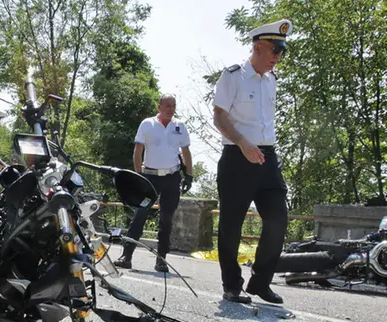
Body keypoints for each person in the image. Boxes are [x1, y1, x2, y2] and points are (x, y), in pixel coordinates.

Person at [212, 19, 292, 304]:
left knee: (278, 218)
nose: (277, 57)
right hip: (237, 156)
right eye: (274, 49)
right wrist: (243, 143)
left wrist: (257, 148)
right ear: (258, 46)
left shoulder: (272, 81)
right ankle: (231, 285)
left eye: (281, 51)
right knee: (231, 224)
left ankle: (259, 283)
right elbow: (219, 116)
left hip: (268, 158)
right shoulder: (233, 76)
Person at [114, 94, 193, 273]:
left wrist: (189, 174)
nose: (170, 109)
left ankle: (161, 259)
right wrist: (138, 175)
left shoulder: (180, 126)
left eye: (173, 105)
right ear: (159, 107)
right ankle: (127, 256)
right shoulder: (147, 124)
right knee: (140, 215)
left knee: (166, 219)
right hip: (150, 176)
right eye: (167, 105)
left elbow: (186, 151)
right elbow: (138, 151)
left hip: (172, 177)